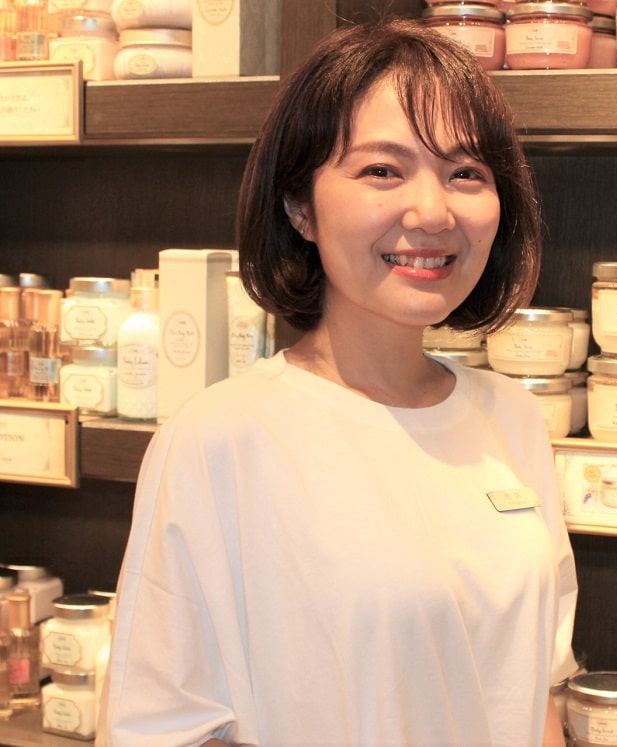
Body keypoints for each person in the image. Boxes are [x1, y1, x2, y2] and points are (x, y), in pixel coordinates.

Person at [98, 18, 578, 747]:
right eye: (383, 170)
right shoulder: (222, 440)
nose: (433, 212)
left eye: (466, 173)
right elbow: (163, 726)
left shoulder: (509, 416)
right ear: (300, 208)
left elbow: (533, 687)